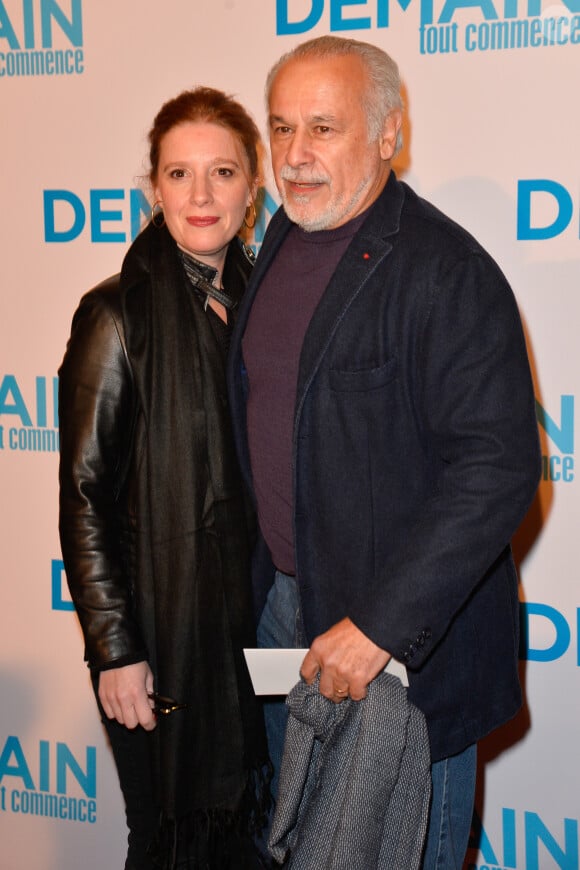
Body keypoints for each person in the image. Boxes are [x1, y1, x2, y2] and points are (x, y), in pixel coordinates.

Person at [228, 36, 541, 869]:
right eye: (282, 127)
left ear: (388, 133)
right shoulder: (282, 244)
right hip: (289, 619)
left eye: (324, 129)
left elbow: (496, 467)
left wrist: (381, 626)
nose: (295, 156)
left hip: (398, 645)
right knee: (303, 846)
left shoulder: (447, 271)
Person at [58, 87, 271, 870]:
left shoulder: (267, 309)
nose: (202, 195)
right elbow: (84, 499)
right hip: (154, 637)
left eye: (222, 172)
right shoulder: (116, 316)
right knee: (166, 842)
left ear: (254, 187)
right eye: (179, 175)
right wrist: (115, 651)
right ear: (154, 188)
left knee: (245, 841)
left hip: (254, 628)